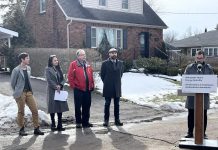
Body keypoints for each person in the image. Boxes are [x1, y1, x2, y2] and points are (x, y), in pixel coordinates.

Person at [10, 52, 44, 136]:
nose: (29, 59)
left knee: (35, 110)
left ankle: (36, 128)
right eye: (27, 58)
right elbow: (12, 83)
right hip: (20, 93)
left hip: (29, 92)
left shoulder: (28, 68)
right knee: (21, 111)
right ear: (22, 59)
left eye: (28, 58)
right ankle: (21, 129)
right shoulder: (16, 70)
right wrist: (18, 91)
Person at [184, 50, 214, 139]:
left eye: (201, 58)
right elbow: (185, 80)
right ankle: (190, 132)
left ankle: (203, 133)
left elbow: (212, 81)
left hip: (204, 96)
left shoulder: (209, 68)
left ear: (204, 58)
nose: (199, 60)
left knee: (203, 114)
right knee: (191, 114)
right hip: (192, 96)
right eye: (197, 58)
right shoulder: (189, 68)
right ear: (195, 57)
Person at [67, 49, 94, 128]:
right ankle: (78, 122)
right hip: (78, 89)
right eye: (82, 55)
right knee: (78, 106)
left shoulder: (87, 64)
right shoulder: (73, 64)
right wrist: (73, 86)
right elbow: (70, 76)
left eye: (84, 54)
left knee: (87, 106)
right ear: (78, 56)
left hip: (87, 89)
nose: (84, 56)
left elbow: (91, 75)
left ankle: (86, 122)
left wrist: (92, 85)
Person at [100, 48, 124, 127]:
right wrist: (106, 82)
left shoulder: (120, 63)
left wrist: (116, 82)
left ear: (116, 54)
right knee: (107, 104)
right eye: (112, 53)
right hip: (108, 86)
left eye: (115, 53)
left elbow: (121, 74)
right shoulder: (105, 63)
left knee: (117, 104)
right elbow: (102, 75)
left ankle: (117, 120)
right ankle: (106, 120)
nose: (114, 54)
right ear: (109, 54)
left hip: (117, 87)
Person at [45, 55, 69, 131]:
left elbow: (63, 79)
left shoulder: (59, 69)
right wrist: (56, 86)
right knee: (52, 107)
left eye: (57, 60)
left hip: (60, 90)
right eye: (55, 60)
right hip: (52, 90)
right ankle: (53, 124)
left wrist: (60, 85)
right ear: (51, 62)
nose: (56, 61)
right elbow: (49, 80)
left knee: (60, 107)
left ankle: (60, 124)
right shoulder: (48, 69)